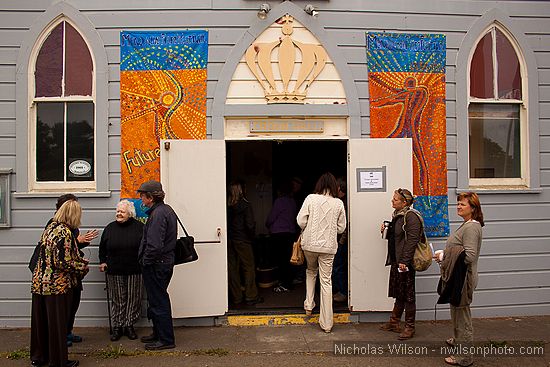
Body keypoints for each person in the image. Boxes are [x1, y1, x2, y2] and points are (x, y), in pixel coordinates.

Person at [30, 200, 89, 367]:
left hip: (39, 283)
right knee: (57, 325)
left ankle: (39, 357)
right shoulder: (65, 232)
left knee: (41, 324)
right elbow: (62, 262)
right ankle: (58, 361)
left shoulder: (50, 228)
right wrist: (82, 266)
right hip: (56, 286)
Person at [437, 192, 484, 367]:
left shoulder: (471, 227)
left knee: (462, 315)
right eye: (458, 203)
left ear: (473, 208)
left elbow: (469, 256)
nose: (458, 206)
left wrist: (445, 256)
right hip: (458, 278)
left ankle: (464, 356)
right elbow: (460, 250)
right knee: (456, 312)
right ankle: (458, 340)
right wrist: (445, 256)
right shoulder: (466, 225)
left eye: (463, 204)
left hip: (464, 279)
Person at [297, 172, 346, 333]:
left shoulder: (310, 198)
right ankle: (326, 323)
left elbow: (300, 221)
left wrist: (311, 228)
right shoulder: (338, 203)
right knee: (326, 281)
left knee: (311, 271)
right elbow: (341, 228)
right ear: (334, 187)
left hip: (309, 245)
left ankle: (309, 305)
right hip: (328, 248)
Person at [47, 194, 98, 347]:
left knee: (73, 304)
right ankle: (62, 336)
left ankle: (68, 331)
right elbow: (60, 256)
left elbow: (71, 249)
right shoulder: (56, 226)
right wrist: (78, 242)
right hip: (62, 277)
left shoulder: (72, 226)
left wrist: (82, 242)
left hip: (73, 276)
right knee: (64, 307)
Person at [137, 180, 177, 350]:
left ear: (150, 197)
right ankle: (158, 334)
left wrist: (146, 262)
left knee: (159, 301)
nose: (141, 200)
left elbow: (154, 245)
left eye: (142, 196)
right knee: (156, 300)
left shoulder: (158, 214)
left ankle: (166, 340)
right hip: (162, 263)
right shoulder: (165, 210)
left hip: (156, 264)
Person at [379, 188, 422, 340]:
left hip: (405, 263)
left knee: (408, 295)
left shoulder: (411, 217)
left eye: (395, 199)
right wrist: (387, 229)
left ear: (405, 202)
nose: (392, 201)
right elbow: (397, 237)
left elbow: (412, 241)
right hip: (398, 261)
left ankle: (410, 327)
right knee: (400, 292)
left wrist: (405, 261)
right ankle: (394, 322)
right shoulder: (398, 216)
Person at [99, 200, 144, 341]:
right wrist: (103, 262)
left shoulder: (140, 228)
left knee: (133, 299)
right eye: (117, 211)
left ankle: (129, 325)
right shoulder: (110, 228)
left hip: (134, 269)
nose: (119, 214)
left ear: (130, 214)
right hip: (114, 269)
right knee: (118, 299)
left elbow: (146, 247)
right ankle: (118, 326)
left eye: (122, 211)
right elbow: (102, 248)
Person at [227, 181, 262, 306]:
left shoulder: (227, 206)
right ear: (241, 190)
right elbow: (250, 224)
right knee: (248, 267)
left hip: (230, 240)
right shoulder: (246, 205)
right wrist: (252, 237)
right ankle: (251, 296)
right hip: (243, 239)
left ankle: (236, 297)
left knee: (232, 268)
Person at [266, 179, 297, 293]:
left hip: (279, 234)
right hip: (290, 233)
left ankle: (285, 284)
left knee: (280, 260)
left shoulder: (279, 201)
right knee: (288, 259)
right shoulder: (292, 202)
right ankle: (288, 282)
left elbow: (271, 218)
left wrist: (267, 224)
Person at [332, 177, 348, 303]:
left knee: (338, 266)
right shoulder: (340, 202)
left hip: (340, 241)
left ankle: (343, 292)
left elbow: (345, 226)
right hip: (338, 240)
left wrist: (341, 242)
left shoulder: (343, 203)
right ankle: (340, 290)